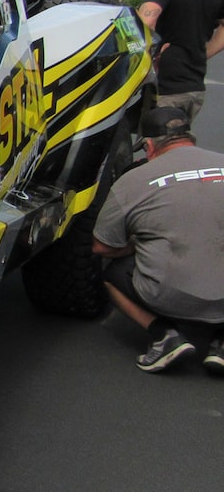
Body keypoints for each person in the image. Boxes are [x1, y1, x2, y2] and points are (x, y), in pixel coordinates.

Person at [92, 107, 224, 374]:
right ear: (190, 138)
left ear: (149, 145)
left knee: (111, 272)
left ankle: (164, 335)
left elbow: (102, 245)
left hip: (170, 298)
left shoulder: (132, 181)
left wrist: (136, 245)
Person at [136, 0, 224, 122]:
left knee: (161, 149)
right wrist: (206, 51)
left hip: (167, 90)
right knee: (179, 147)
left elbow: (145, 22)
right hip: (195, 90)